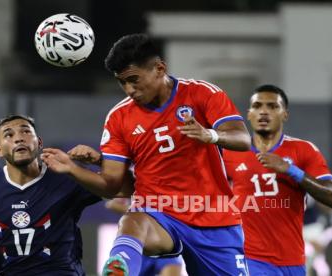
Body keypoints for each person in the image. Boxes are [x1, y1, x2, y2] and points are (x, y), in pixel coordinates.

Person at [41, 33, 252, 275]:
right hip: (160, 212)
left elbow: (243, 139)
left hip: (214, 217)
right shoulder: (119, 118)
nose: (129, 90)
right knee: (132, 221)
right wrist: (72, 169)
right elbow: (112, 185)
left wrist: (211, 136)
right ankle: (118, 267)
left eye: (134, 80)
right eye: (122, 83)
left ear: (160, 68)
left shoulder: (202, 93)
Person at [0, 115, 101, 275]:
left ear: (39, 142)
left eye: (25, 132)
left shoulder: (68, 177)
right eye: (9, 135)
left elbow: (123, 188)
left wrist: (99, 161)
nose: (19, 139)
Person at [223, 84, 332, 275]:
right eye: (257, 106)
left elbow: (329, 195)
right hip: (251, 258)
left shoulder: (303, 150)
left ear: (285, 114)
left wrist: (292, 171)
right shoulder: (231, 153)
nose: (263, 112)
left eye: (272, 106)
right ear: (248, 114)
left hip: (294, 260)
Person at [69, 144, 183, 276]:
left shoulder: (168, 173)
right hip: (139, 236)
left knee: (172, 266)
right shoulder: (130, 171)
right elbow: (112, 203)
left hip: (162, 232)